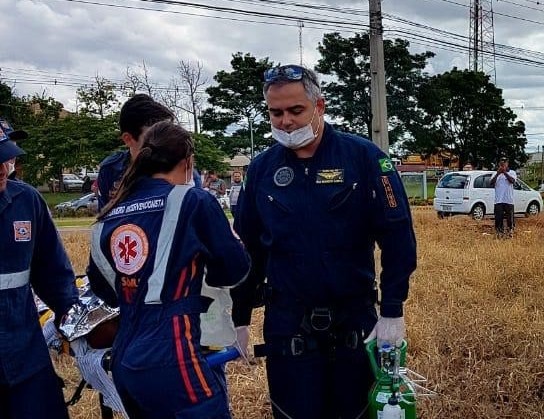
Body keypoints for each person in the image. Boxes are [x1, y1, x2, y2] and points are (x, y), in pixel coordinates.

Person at [231, 64, 417, 418]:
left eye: (295, 110)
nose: (285, 121)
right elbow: (249, 250)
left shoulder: (364, 159)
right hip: (287, 326)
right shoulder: (261, 171)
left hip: (353, 323)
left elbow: (398, 238)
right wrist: (239, 317)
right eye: (275, 112)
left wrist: (393, 309)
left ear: (320, 106)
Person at [86, 121, 250, 418]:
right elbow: (234, 270)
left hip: (125, 356)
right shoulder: (193, 200)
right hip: (173, 353)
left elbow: (103, 289)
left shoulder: (108, 215)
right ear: (188, 162)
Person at [0, 126, 79, 418]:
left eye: (6, 160)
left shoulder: (27, 201)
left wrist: (70, 320)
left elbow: (53, 272)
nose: (3, 168)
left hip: (24, 353)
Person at [96, 94, 201, 209]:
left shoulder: (184, 173)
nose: (164, 145)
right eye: (153, 138)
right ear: (128, 139)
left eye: (168, 136)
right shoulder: (110, 169)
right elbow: (105, 219)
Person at [490, 157, 517, 238]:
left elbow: (512, 181)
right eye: (501, 164)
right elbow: (491, 183)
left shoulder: (512, 172)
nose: (503, 165)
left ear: (507, 164)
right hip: (498, 200)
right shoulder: (495, 173)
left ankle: (510, 232)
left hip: (509, 200)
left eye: (504, 163)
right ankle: (499, 233)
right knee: (498, 218)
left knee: (510, 218)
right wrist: (498, 173)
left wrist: (505, 172)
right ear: (499, 164)